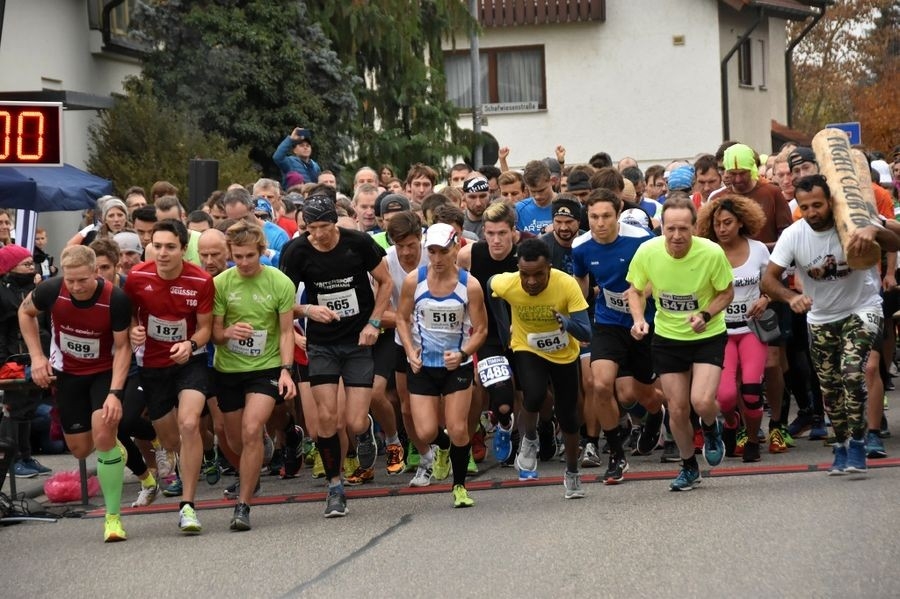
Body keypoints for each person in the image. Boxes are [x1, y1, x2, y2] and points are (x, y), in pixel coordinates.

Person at [762, 174, 900, 474]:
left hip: (862, 308)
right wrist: (789, 298)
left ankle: (860, 443)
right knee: (831, 387)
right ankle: (840, 445)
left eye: (818, 205)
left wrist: (873, 228)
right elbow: (769, 279)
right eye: (805, 206)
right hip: (821, 317)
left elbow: (896, 240)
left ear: (830, 202)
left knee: (854, 372)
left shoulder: (852, 219)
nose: (812, 212)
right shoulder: (794, 235)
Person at [279, 195, 392, 518]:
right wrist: (308, 310)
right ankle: (335, 487)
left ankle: (366, 429)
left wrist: (373, 322)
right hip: (322, 344)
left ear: (335, 222)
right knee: (326, 421)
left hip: (358, 341)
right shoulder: (297, 251)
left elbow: (384, 282)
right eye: (310, 228)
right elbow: (283, 301)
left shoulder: (358, 243)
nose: (317, 234)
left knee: (353, 421)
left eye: (323, 227)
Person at [19, 246, 132, 542]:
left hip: (103, 372)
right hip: (68, 374)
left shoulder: (115, 299)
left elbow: (123, 348)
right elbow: (25, 312)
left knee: (104, 432)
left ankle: (113, 518)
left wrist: (116, 393)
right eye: (70, 280)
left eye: (82, 280)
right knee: (81, 449)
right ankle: (117, 451)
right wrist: (37, 357)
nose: (76, 286)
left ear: (96, 272)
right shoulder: (52, 290)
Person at [625, 193, 732, 491]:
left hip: (706, 335)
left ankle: (711, 427)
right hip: (668, 338)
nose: (676, 235)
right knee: (678, 408)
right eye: (670, 228)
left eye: (683, 228)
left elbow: (726, 293)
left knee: (701, 401)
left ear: (695, 227)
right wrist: (638, 319)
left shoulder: (711, 253)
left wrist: (706, 314)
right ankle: (689, 467)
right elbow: (634, 290)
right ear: (662, 228)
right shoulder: (648, 252)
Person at [124, 219, 214, 533]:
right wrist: (134, 329)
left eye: (170, 247)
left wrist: (190, 345)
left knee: (189, 423)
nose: (162, 253)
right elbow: (129, 316)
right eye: (157, 246)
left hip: (190, 362)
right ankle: (200, 449)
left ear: (182, 248)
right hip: (152, 365)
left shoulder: (200, 280)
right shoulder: (136, 277)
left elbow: (205, 329)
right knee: (173, 440)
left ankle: (187, 506)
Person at [488, 238, 591, 497]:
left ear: (550, 269)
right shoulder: (509, 283)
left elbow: (586, 331)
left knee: (569, 417)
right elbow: (490, 285)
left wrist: (567, 323)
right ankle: (530, 439)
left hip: (563, 353)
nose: (531, 281)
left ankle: (572, 473)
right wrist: (504, 330)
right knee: (532, 395)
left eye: (538, 275)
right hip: (528, 347)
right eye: (525, 275)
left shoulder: (566, 284)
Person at [572, 189, 662, 484]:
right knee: (600, 384)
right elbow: (582, 279)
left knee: (639, 395)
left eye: (606, 216)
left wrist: (639, 293)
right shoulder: (581, 245)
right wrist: (579, 309)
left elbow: (656, 276)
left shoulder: (641, 240)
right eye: (594, 217)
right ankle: (615, 454)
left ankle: (656, 415)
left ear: (618, 212)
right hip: (607, 322)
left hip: (642, 324)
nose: (600, 223)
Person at [211, 221, 296, 531]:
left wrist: (286, 371)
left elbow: (286, 331)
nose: (243, 263)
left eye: (249, 256)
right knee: (234, 440)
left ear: (262, 252)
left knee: (250, 429)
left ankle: (243, 505)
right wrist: (228, 332)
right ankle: (256, 457)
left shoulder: (279, 282)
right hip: (229, 369)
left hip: (266, 367)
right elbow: (215, 334)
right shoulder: (221, 283)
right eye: (237, 256)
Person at [395, 223, 487, 507]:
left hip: (454, 366)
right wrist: (410, 350)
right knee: (424, 432)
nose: (436, 259)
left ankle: (459, 487)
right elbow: (401, 318)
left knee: (458, 427)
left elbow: (482, 330)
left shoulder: (469, 285)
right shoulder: (414, 280)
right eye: (431, 252)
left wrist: (462, 353)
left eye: (442, 252)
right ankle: (443, 448)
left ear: (456, 248)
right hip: (424, 366)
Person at [696, 194, 770, 462]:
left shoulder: (759, 249)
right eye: (717, 224)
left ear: (741, 222)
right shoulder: (707, 251)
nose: (722, 229)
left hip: (752, 331)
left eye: (728, 222)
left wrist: (765, 298)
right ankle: (730, 422)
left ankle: (752, 439)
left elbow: (773, 281)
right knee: (725, 397)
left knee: (751, 391)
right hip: (721, 332)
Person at [0, 244, 50, 478]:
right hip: (10, 360)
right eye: (26, 263)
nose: (32, 267)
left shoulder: (36, 289)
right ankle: (13, 460)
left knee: (29, 407)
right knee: (14, 409)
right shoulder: (2, 293)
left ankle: (27, 456)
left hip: (34, 357)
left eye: (33, 263)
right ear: (10, 267)